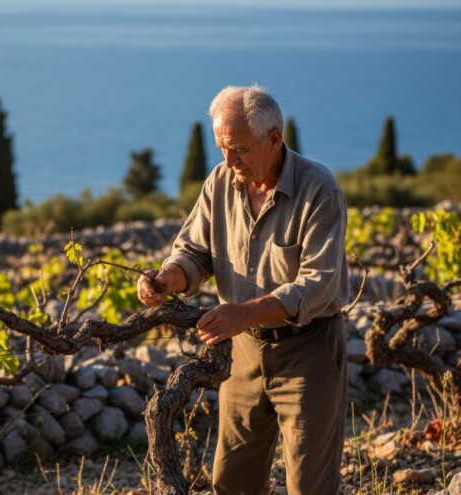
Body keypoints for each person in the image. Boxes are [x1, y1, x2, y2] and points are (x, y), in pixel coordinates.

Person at [137, 85, 350, 495]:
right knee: (232, 484)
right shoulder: (220, 182)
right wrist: (167, 278)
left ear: (274, 139)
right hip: (242, 354)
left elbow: (318, 285)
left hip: (308, 352)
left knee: (310, 487)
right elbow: (194, 252)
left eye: (239, 150)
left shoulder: (320, 190)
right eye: (221, 148)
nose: (228, 161)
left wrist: (243, 313)